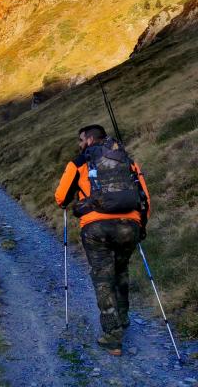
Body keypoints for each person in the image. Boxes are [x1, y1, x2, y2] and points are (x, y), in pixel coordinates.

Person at [55, 124, 151, 356]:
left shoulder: (78, 163)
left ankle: (112, 336)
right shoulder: (128, 161)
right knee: (121, 271)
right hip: (130, 225)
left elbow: (60, 198)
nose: (79, 145)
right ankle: (123, 317)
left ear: (88, 140)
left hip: (96, 228)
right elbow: (144, 198)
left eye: (80, 140)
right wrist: (140, 225)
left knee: (103, 278)